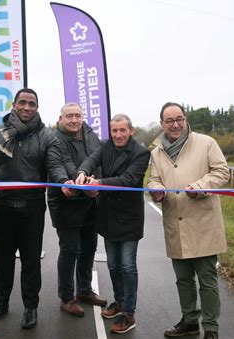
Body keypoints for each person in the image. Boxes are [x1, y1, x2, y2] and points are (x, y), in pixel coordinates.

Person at [0, 88, 69, 329]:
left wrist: (64, 182)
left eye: (31, 104)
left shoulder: (47, 136)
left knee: (31, 261)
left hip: (31, 209)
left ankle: (30, 307)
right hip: (0, 209)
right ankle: (1, 303)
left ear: (37, 108)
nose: (26, 107)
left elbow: (55, 166)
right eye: (22, 103)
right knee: (3, 259)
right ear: (14, 105)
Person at [147, 102, 230, 339]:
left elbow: (222, 171)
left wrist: (201, 186)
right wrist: (157, 189)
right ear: (162, 123)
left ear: (185, 119)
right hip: (175, 221)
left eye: (179, 119)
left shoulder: (206, 143)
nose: (175, 124)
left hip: (203, 223)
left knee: (207, 279)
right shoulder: (156, 151)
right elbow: (153, 179)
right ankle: (190, 322)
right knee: (183, 279)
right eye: (170, 121)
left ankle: (211, 328)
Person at [75, 114, 150, 334]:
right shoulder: (105, 146)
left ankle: (129, 313)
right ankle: (119, 302)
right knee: (113, 265)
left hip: (129, 218)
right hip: (108, 216)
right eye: (114, 130)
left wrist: (99, 182)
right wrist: (82, 172)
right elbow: (91, 160)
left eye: (122, 130)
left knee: (127, 266)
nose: (117, 135)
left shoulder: (141, 153)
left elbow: (128, 180)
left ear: (131, 131)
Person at [48, 103, 107, 317]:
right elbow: (59, 164)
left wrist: (95, 181)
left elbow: (97, 160)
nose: (74, 120)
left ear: (83, 117)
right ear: (61, 118)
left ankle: (84, 290)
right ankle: (66, 297)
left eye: (78, 116)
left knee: (89, 248)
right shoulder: (55, 139)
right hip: (66, 201)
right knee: (70, 250)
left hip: (91, 202)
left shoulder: (91, 135)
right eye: (69, 116)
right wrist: (79, 182)